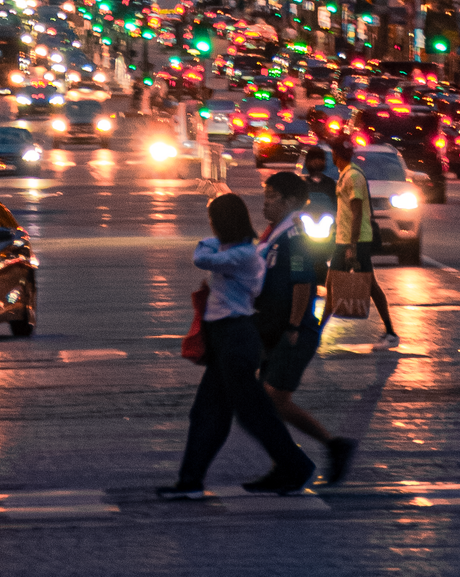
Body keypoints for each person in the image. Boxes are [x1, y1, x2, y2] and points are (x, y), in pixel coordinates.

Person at [160, 190, 316, 498]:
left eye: (212, 220)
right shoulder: (239, 250)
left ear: (222, 221)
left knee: (251, 413)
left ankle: (296, 466)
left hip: (236, 338)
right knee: (208, 411)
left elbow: (201, 256)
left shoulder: (244, 255)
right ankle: (190, 481)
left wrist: (216, 241)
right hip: (225, 339)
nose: (210, 225)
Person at [257, 171, 355, 484]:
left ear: (290, 202)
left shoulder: (295, 235)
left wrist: (294, 325)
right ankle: (288, 461)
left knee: (272, 400)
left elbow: (302, 283)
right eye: (265, 197)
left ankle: (316, 452)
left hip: (292, 331)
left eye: (272, 198)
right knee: (268, 403)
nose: (266, 204)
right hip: (274, 328)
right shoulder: (276, 233)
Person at [332, 149, 398, 343]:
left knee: (368, 284)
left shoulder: (353, 176)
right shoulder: (345, 175)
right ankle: (316, 331)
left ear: (336, 155)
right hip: (344, 239)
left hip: (356, 240)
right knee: (332, 283)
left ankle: (390, 331)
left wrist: (352, 245)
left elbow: (357, 213)